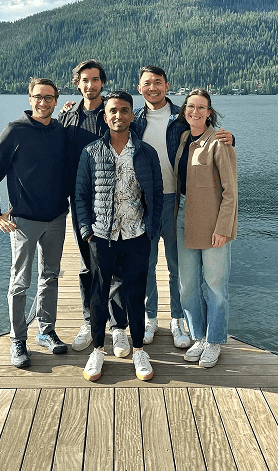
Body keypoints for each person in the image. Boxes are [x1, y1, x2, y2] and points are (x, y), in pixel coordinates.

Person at [131, 66, 234, 347]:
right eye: (146, 83)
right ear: (139, 88)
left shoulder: (181, 118)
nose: (152, 88)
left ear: (167, 85)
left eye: (158, 82)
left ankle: (178, 322)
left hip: (176, 202)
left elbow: (207, 136)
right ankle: (151, 318)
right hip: (143, 202)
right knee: (146, 265)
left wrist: (230, 138)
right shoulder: (133, 119)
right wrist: (70, 111)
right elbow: (105, 124)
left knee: (179, 269)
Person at [0, 78, 69, 368]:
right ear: (30, 99)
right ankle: (18, 340)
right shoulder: (15, 130)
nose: (43, 103)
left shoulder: (59, 131)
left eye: (49, 98)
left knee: (51, 276)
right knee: (20, 282)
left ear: (56, 101)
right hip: (23, 221)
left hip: (56, 217)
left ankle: (46, 331)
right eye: (38, 97)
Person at [75, 91, 163, 381]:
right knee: (99, 293)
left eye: (125, 110)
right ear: (105, 116)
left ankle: (138, 349)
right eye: (113, 111)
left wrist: (152, 229)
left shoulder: (145, 152)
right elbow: (81, 195)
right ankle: (98, 349)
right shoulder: (91, 152)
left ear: (131, 115)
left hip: (137, 234)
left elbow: (157, 194)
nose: (118, 116)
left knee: (136, 293)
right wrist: (87, 231)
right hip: (102, 235)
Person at [58, 60, 130, 358]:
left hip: (113, 200)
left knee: (114, 265)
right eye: (85, 80)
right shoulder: (68, 118)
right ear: (78, 83)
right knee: (89, 263)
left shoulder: (112, 114)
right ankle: (90, 322)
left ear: (102, 82)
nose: (91, 85)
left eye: (96, 80)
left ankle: (117, 328)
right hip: (81, 201)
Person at [174, 88, 237, 368]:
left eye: (201, 107)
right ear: (184, 110)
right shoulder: (184, 137)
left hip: (212, 223)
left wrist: (223, 227)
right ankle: (198, 336)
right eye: (191, 107)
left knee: (215, 285)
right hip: (182, 220)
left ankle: (214, 341)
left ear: (209, 112)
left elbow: (230, 191)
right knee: (187, 285)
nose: (195, 112)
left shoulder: (220, 142)